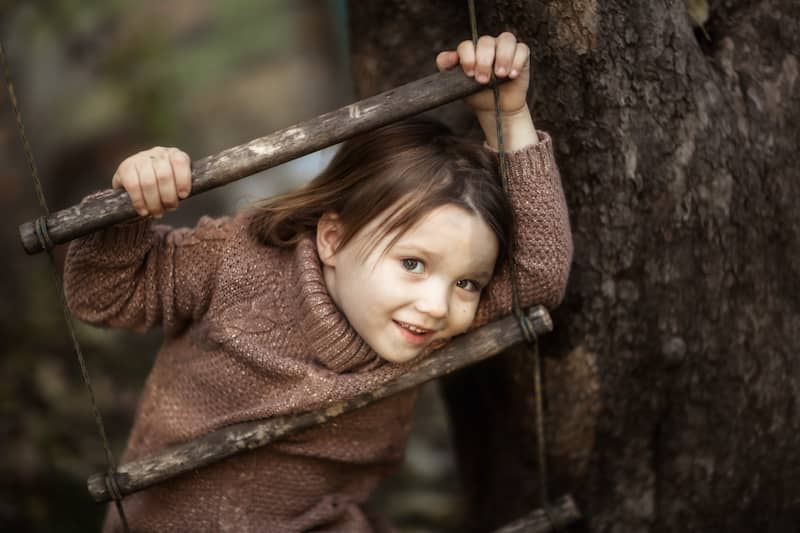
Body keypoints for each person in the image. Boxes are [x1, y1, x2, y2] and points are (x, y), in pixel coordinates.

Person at [64, 32, 572, 532]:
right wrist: (128, 209)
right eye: (413, 264)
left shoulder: (418, 328)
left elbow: (540, 273)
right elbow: (103, 296)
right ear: (332, 238)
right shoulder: (235, 259)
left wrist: (507, 118)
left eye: (468, 284)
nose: (439, 304)